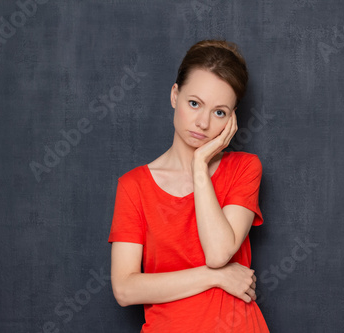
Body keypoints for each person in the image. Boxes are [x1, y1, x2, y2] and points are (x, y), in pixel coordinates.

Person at [108, 39, 269, 332]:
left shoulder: (244, 168)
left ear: (232, 119)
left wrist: (199, 165)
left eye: (219, 112)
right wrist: (217, 277)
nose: (203, 123)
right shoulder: (134, 186)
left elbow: (219, 253)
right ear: (174, 95)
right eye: (194, 104)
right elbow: (125, 289)